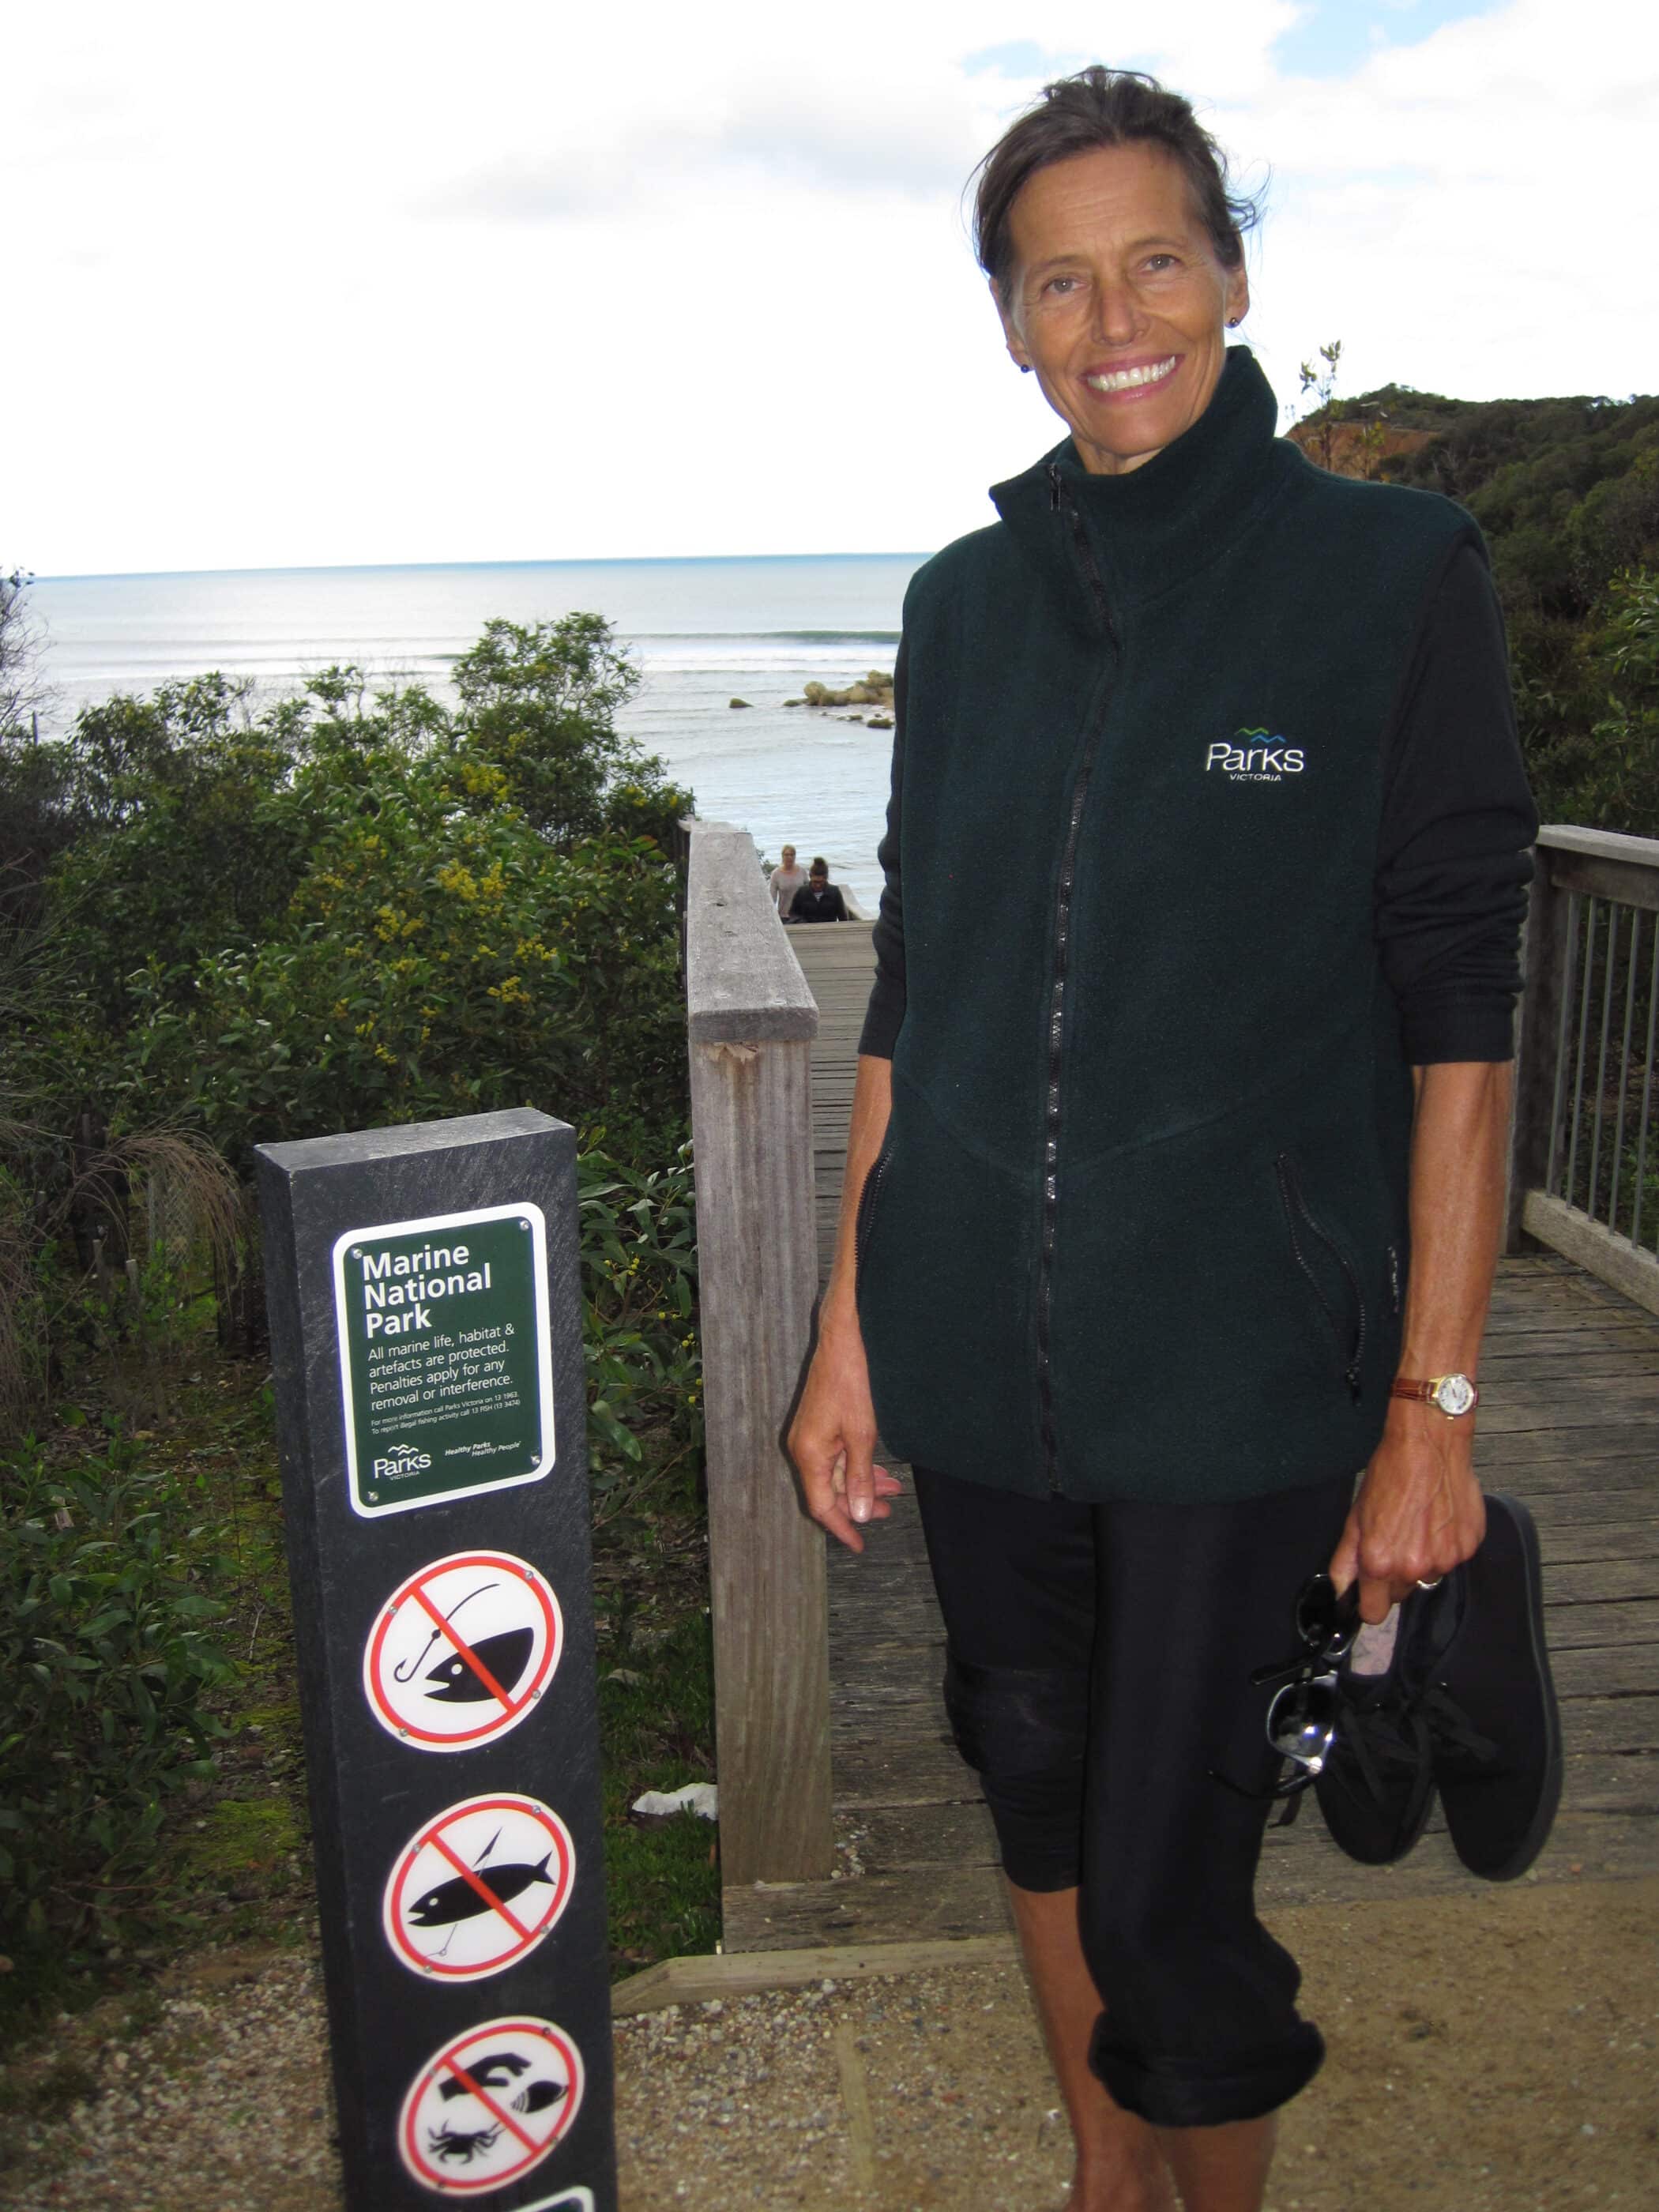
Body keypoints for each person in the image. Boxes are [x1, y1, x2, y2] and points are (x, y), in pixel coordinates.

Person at [787, 66, 1554, 2212]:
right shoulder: (960, 607)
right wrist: (853, 1339)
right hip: (973, 1350)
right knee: (1028, 1782)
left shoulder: (1390, 570)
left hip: (1240, 1371)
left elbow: (1459, 1024)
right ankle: (1103, 2180)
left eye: (1152, 257)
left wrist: (1434, 1403)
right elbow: (919, 989)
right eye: (1056, 277)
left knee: (1165, 1888)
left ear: (1227, 278)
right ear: (1010, 322)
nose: (1109, 310)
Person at [787, 857, 849, 924]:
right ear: (810, 877)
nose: (818, 885)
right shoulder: (802, 892)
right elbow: (793, 913)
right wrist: (801, 921)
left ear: (826, 878)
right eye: (815, 882)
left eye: (820, 882)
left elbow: (842, 916)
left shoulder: (834, 892)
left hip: (829, 929)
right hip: (806, 929)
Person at [769, 844, 807, 922]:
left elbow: (809, 893)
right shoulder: (776, 874)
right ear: (782, 856)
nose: (789, 857)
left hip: (801, 915)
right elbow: (772, 898)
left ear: (795, 856)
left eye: (792, 855)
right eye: (787, 855)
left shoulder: (802, 872)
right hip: (784, 916)